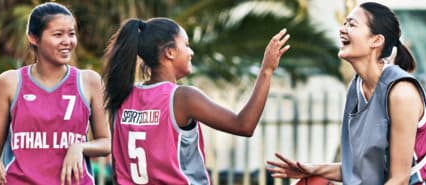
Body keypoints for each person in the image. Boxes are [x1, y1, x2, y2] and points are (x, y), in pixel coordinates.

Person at [267, 2, 426, 185]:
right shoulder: (357, 88)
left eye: (352, 25)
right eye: (344, 24)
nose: (342, 29)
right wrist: (312, 169)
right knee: (315, 181)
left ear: (376, 40)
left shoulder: (401, 92)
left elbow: (399, 179)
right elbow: (359, 171)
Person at [102, 17, 289, 184]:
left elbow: (119, 168)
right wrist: (266, 71)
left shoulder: (122, 96)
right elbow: (244, 125)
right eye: (186, 44)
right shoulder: (182, 98)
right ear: (170, 52)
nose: (190, 52)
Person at [0, 2, 111, 185]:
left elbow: (106, 142)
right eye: (58, 34)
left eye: (71, 34)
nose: (67, 41)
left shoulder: (89, 81)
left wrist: (80, 147)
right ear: (34, 38)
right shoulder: (10, 82)